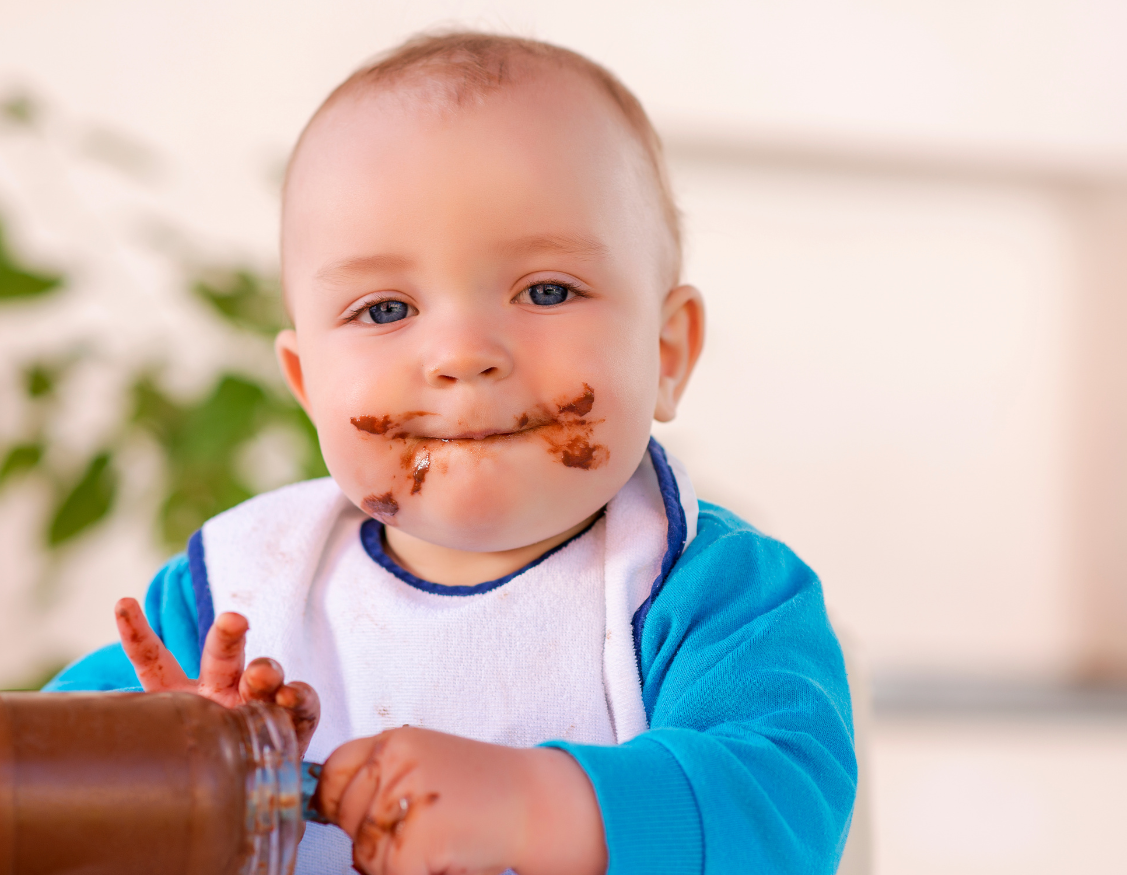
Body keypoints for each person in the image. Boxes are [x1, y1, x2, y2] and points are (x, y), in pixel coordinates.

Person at [47, 31, 856, 875]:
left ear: (666, 351)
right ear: (307, 383)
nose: (463, 352)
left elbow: (781, 816)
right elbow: (32, 808)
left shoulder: (707, 597)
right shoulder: (230, 599)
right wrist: (168, 764)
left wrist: (536, 803)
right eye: (385, 308)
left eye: (547, 290)